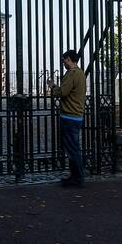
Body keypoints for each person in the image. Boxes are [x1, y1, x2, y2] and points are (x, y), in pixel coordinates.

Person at [47, 49, 86, 187]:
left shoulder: (72, 73)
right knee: (73, 148)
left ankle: (78, 178)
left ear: (69, 59)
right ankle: (75, 176)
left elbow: (63, 92)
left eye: (64, 59)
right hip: (77, 116)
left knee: (72, 149)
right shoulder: (80, 73)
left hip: (69, 116)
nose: (63, 62)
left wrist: (52, 86)